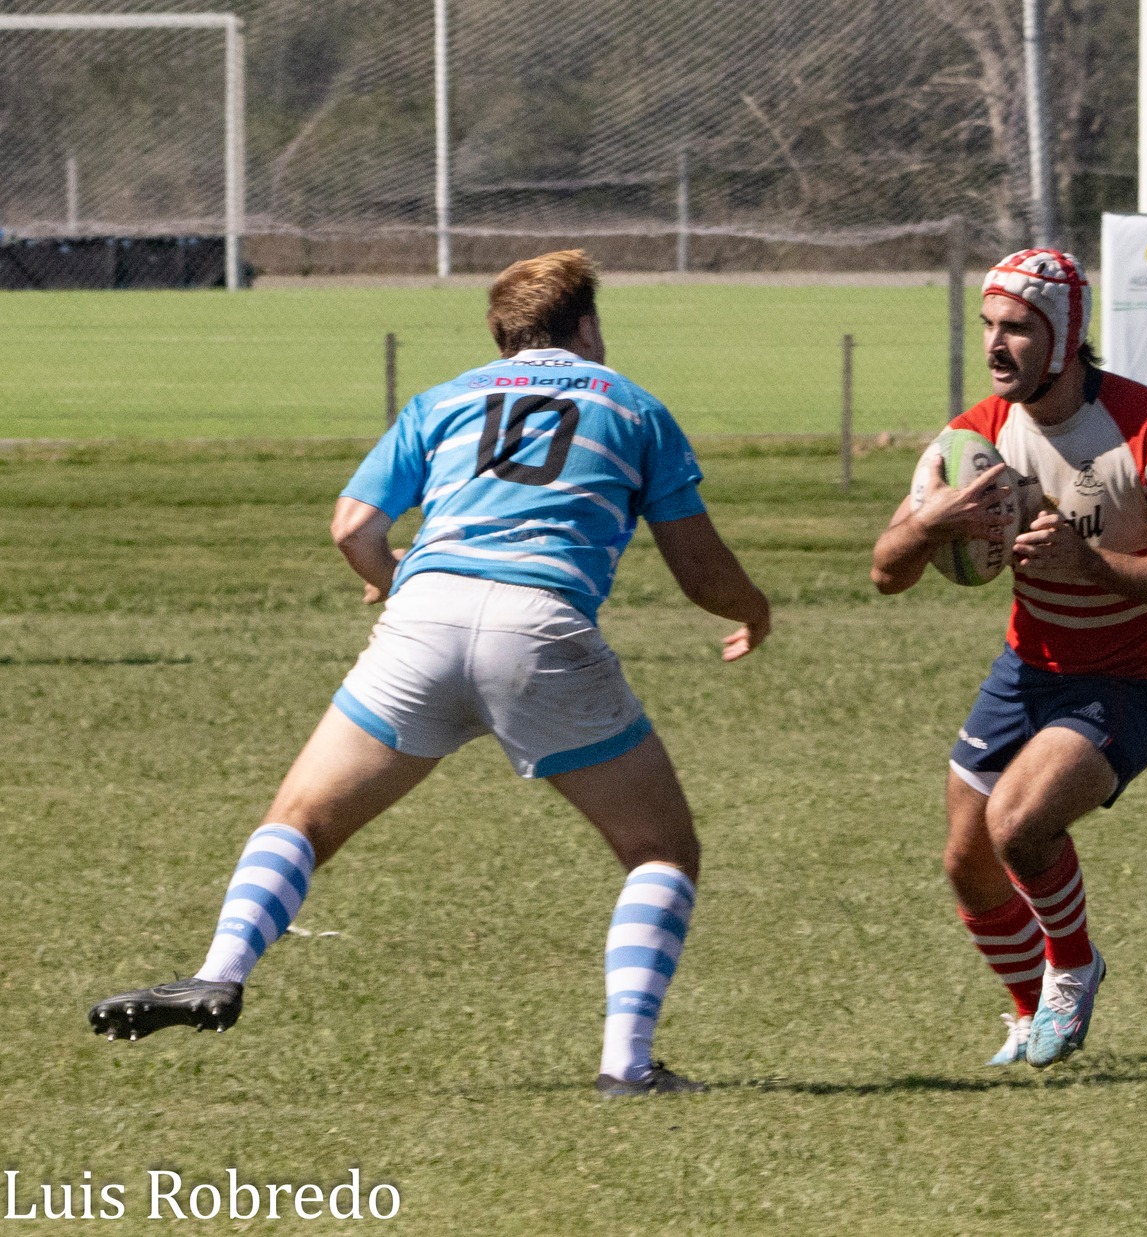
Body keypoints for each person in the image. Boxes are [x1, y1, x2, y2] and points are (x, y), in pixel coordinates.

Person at [88, 250, 771, 1097]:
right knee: (659, 850)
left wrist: (384, 576)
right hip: (542, 630)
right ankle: (626, 1065)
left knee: (301, 818)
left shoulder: (443, 400)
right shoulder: (634, 407)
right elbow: (700, 571)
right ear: (586, 325)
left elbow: (351, 526)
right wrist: (753, 610)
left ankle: (219, 970)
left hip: (424, 619)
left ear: (500, 333)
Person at [871, 249, 1147, 1069]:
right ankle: (1031, 1012)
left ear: (1065, 339)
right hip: (1030, 668)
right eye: (990, 326)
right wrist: (930, 523)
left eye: (1019, 328)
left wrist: (1090, 563)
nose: (997, 344)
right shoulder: (974, 438)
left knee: (1020, 824)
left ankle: (1074, 966)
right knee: (967, 860)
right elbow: (885, 572)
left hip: (1136, 677)